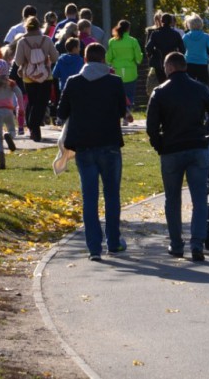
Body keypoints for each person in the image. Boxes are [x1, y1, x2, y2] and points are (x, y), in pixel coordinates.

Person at [146, 51, 209, 261]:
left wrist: (159, 145)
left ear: (170, 67)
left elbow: (151, 127)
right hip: (197, 147)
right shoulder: (200, 89)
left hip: (171, 150)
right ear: (184, 66)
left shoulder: (159, 92)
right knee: (199, 198)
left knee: (172, 199)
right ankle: (197, 243)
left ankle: (176, 244)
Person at [58, 41, 129, 260]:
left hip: (84, 146)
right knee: (112, 195)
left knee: (89, 197)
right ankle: (113, 242)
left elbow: (61, 112)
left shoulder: (73, 82)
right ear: (104, 59)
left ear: (85, 59)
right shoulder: (114, 82)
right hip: (109, 144)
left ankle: (94, 248)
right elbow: (122, 110)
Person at [13, 16, 59, 141]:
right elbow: (55, 57)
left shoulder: (22, 42)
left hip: (29, 77)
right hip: (45, 76)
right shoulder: (46, 39)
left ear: (26, 27)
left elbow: (18, 61)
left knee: (33, 102)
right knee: (42, 103)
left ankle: (33, 129)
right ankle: (34, 126)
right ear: (39, 26)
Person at [0, 59, 23, 168]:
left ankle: (1, 157)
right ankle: (9, 135)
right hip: (8, 111)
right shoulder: (11, 83)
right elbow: (19, 94)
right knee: (12, 131)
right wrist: (20, 108)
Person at [105, 19, 143, 118]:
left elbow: (108, 58)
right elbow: (138, 58)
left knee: (118, 94)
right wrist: (139, 58)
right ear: (128, 29)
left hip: (117, 72)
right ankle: (127, 111)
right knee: (130, 94)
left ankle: (119, 113)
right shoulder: (133, 41)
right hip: (131, 72)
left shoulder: (112, 41)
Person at [182, 14, 209, 86]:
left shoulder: (185, 37)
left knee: (189, 87)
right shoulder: (206, 37)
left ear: (189, 25)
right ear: (201, 24)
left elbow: (182, 50)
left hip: (189, 64)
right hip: (202, 64)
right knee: (203, 87)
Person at [145, 12, 185, 85]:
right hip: (172, 62)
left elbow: (148, 48)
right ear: (171, 21)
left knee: (162, 83)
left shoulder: (155, 33)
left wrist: (154, 53)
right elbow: (182, 49)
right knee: (172, 82)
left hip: (159, 62)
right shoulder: (176, 34)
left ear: (161, 21)